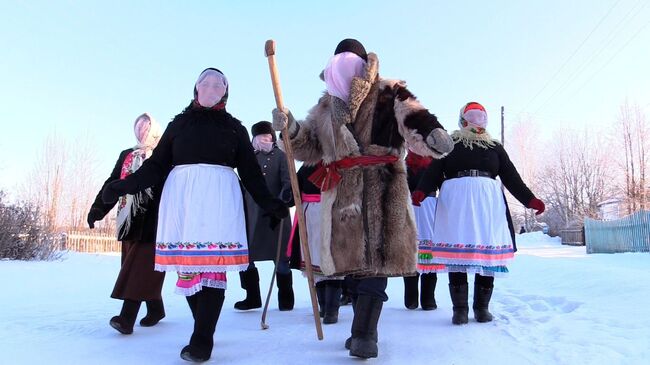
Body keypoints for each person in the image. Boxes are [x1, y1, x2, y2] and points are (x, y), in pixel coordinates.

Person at [272, 39, 454, 359]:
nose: (344, 64)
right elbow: (310, 147)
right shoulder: (326, 107)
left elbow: (414, 118)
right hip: (343, 192)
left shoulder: (389, 92)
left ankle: (364, 334)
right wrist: (291, 130)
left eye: (351, 59)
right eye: (338, 59)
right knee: (353, 268)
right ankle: (362, 326)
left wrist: (431, 134)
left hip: (384, 188)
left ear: (365, 63)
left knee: (376, 264)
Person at [102, 68, 288, 363]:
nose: (212, 86)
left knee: (211, 269)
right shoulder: (179, 125)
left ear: (226, 92)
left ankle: (202, 338)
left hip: (219, 203)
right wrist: (123, 186)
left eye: (219, 84)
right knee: (189, 269)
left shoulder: (234, 128)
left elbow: (252, 175)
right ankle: (203, 327)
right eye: (206, 82)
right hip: (183, 203)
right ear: (195, 89)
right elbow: (155, 167)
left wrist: (270, 203)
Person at [412, 101, 545, 325]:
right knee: (457, 254)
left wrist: (529, 199)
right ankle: (460, 310)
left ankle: (482, 308)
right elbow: (435, 170)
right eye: (472, 116)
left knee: (487, 253)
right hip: (456, 203)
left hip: (487, 203)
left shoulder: (494, 146)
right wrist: (422, 191)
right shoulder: (451, 143)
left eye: (480, 116)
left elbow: (511, 177)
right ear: (462, 119)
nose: (476, 120)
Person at [87, 113, 166, 335]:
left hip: (155, 222)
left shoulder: (163, 156)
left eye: (146, 130)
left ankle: (126, 318)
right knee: (136, 268)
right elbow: (112, 183)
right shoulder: (127, 155)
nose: (142, 134)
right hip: (128, 220)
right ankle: (156, 308)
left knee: (139, 269)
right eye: (139, 129)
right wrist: (98, 209)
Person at [236, 121, 294, 311]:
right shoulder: (248, 158)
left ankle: (286, 298)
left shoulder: (281, 156)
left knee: (281, 259)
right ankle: (252, 297)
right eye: (259, 137)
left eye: (266, 137)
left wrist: (281, 202)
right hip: (250, 214)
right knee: (246, 257)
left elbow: (288, 182)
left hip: (276, 214)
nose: (263, 141)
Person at [287, 164, 344, 324]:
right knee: (313, 261)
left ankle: (332, 310)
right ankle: (324, 307)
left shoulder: (337, 164)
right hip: (310, 218)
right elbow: (294, 190)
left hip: (333, 214)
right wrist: (288, 194)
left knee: (333, 261)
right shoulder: (306, 167)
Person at [403, 149, 440, 311]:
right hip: (408, 209)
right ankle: (411, 297)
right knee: (409, 252)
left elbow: (442, 185)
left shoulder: (435, 163)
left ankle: (428, 298)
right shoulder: (404, 164)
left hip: (430, 209)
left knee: (429, 254)